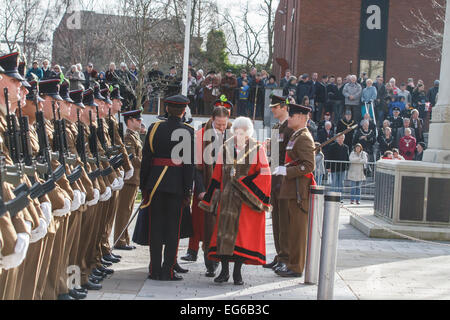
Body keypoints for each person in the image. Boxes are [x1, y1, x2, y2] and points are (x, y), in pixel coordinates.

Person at [199, 117, 271, 285]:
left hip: (245, 202)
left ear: (248, 133)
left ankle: (237, 273)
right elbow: (217, 175)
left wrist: (245, 185)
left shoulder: (258, 148)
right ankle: (224, 272)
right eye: (237, 131)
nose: (239, 135)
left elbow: (265, 175)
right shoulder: (225, 147)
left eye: (243, 132)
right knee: (224, 237)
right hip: (226, 200)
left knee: (240, 239)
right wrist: (209, 199)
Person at [135, 94, 194, 281]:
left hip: (155, 184)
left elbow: (146, 159)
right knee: (172, 230)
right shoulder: (188, 131)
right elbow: (189, 165)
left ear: (167, 109)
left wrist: (143, 185)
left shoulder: (154, 128)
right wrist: (187, 191)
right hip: (176, 186)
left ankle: (154, 269)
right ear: (184, 111)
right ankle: (168, 270)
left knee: (156, 228)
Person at [181, 106, 232, 278]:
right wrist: (201, 190)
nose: (222, 128)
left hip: (225, 189)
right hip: (206, 187)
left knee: (221, 227)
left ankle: (218, 260)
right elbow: (197, 168)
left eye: (224, 125)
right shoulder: (201, 135)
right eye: (219, 124)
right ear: (212, 119)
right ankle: (209, 262)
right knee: (206, 226)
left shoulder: (232, 134)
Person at [275, 103, 315, 277]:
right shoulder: (296, 136)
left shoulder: (304, 137)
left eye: (291, 116)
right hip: (291, 189)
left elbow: (309, 165)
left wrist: (288, 171)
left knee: (298, 231)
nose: (289, 118)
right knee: (290, 230)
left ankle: (296, 267)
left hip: (299, 191)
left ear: (300, 117)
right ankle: (290, 262)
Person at [263, 94, 294, 273]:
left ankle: (286, 256)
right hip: (275, 176)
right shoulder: (276, 127)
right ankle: (279, 253)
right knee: (276, 220)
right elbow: (274, 155)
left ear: (283, 107)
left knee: (284, 220)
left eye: (275, 107)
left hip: (284, 177)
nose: (272, 110)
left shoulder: (290, 127)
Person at [113, 108, 143, 250]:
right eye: (137, 119)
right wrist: (147, 164)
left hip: (134, 179)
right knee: (123, 211)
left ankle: (124, 239)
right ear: (129, 121)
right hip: (129, 179)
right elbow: (132, 158)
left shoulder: (135, 136)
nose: (140, 121)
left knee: (128, 210)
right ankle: (119, 240)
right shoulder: (127, 137)